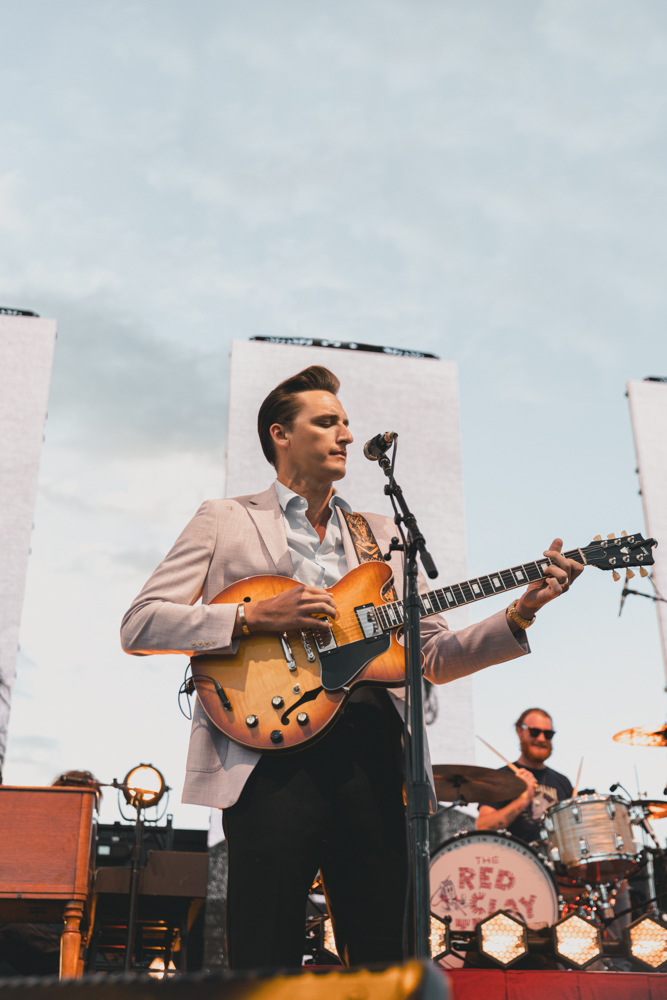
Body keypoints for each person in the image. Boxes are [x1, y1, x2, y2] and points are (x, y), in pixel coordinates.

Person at [121, 365, 582, 969]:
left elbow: (432, 656)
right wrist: (253, 617)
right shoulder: (226, 518)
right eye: (327, 421)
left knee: (384, 948)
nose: (344, 434)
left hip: (371, 749)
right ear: (280, 434)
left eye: (347, 423)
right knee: (265, 946)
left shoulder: (382, 534)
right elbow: (142, 624)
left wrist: (521, 613)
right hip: (269, 753)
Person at [476, 708, 573, 843]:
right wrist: (524, 800)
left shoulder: (563, 782)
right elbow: (483, 826)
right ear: (519, 731)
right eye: (534, 732)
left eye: (548, 734)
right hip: (514, 861)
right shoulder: (499, 778)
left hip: (555, 862)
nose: (541, 738)